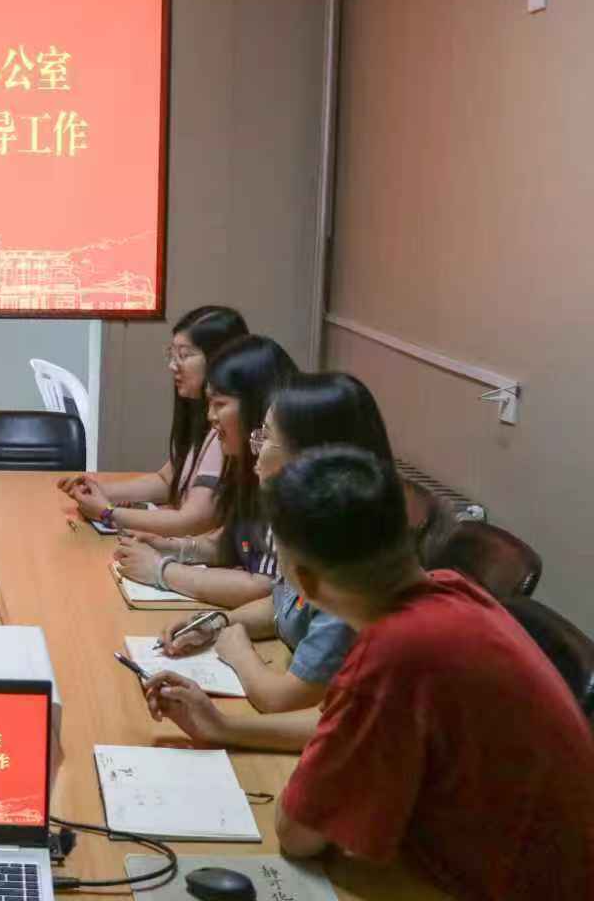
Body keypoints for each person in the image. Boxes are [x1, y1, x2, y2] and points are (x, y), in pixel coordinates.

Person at [246, 447, 593, 901]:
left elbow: (297, 834)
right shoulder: (450, 587)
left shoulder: (394, 650)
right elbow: (345, 731)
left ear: (304, 582)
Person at [145, 373, 392, 746]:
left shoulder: (352, 562)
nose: (255, 453)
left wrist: (238, 653)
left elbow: (287, 701)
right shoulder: (325, 529)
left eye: (266, 438)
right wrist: (218, 623)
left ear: (310, 455)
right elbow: (282, 604)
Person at [112, 335, 296, 607]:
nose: (210, 416)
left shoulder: (283, 477)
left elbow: (266, 587)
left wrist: (161, 571)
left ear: (255, 406)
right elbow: (232, 543)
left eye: (219, 404)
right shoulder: (246, 462)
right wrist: (172, 548)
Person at [60, 306, 247, 536]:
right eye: (172, 354)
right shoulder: (200, 417)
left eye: (184, 355)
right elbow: (167, 481)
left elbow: (192, 521)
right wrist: (100, 491)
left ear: (221, 359)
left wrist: (107, 512)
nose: (173, 365)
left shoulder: (226, 431)